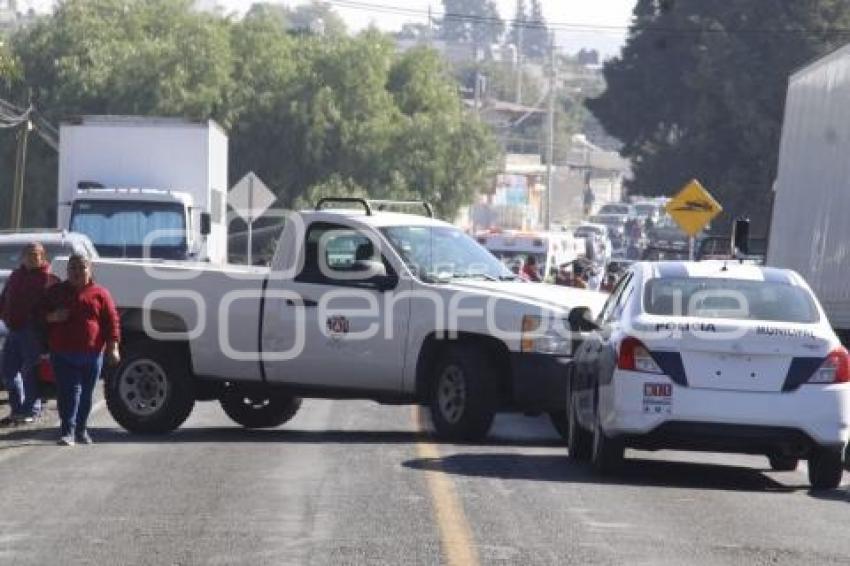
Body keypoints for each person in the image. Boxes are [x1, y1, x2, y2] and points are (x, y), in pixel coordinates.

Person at [42, 254, 120, 446]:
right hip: (62, 353)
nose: (77, 272)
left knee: (86, 394)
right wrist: (52, 317)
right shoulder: (56, 292)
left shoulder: (100, 293)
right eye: (73, 268)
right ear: (67, 271)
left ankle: (81, 430)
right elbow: (38, 314)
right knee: (69, 392)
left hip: (92, 354)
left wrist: (113, 347)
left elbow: (112, 322)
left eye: (81, 268)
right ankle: (67, 432)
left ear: (90, 269)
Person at [0, 242, 58, 425]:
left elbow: (54, 305)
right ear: (22, 257)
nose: (32, 257)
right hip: (13, 329)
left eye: (36, 254)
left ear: (43, 256)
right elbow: (4, 299)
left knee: (30, 371)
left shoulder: (48, 278)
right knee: (8, 371)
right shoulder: (16, 275)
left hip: (34, 331)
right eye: (28, 254)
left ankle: (32, 409)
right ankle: (17, 409)